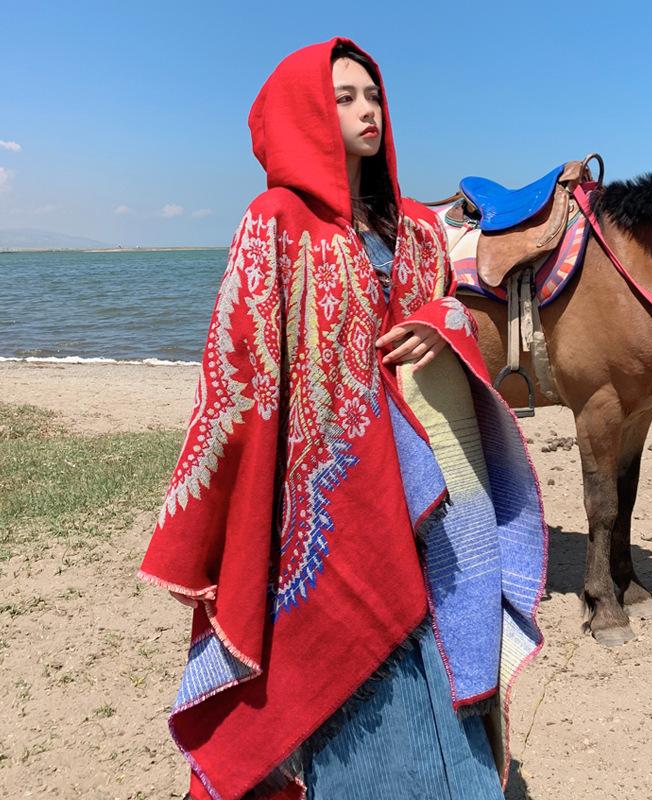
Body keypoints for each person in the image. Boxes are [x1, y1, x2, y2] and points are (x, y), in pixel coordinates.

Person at [138, 37, 548, 800]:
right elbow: (237, 368)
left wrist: (438, 323)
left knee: (441, 647)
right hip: (332, 505)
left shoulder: (416, 230)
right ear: (304, 115)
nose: (367, 111)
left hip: (429, 499)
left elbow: (448, 309)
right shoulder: (276, 222)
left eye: (373, 95)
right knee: (354, 677)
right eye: (344, 98)